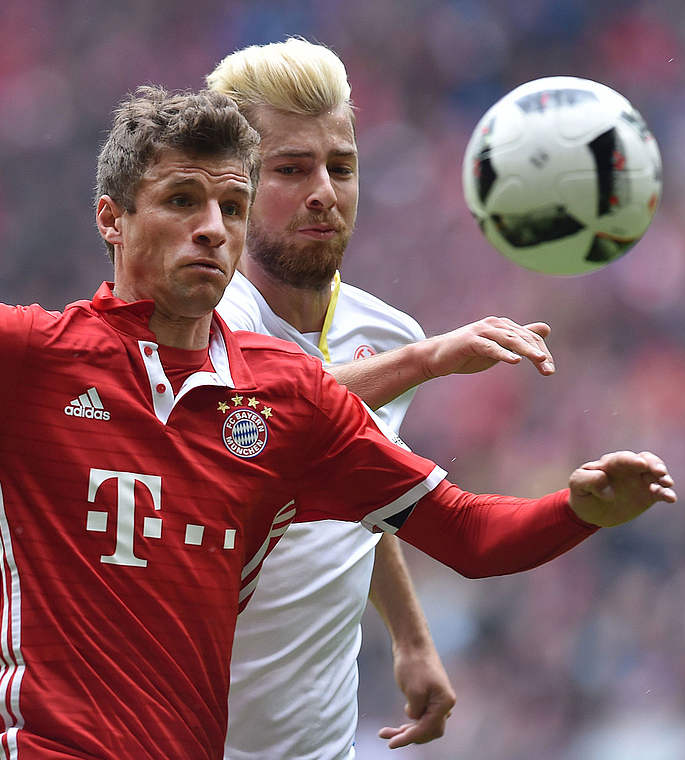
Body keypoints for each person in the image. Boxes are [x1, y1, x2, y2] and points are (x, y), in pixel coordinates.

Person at [0, 86, 676, 760]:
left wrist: (580, 508)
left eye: (230, 208)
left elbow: (471, 536)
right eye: (180, 202)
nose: (212, 228)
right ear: (112, 219)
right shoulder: (16, 354)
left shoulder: (288, 403)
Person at [206, 38, 563, 759]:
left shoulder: (386, 333)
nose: (323, 191)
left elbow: (363, 483)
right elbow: (255, 417)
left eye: (341, 166)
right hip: (184, 735)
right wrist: (425, 361)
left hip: (316, 742)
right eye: (291, 169)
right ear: (233, 184)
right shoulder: (200, 316)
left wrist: (410, 636)